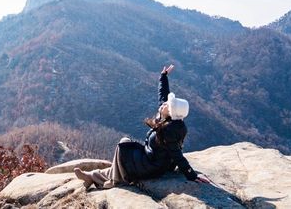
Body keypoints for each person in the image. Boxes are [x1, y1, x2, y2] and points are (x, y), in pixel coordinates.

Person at [74, 64, 211, 189]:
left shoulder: (170, 129)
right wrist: (163, 77)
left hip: (152, 166)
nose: (164, 105)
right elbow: (162, 96)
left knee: (123, 147)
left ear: (171, 112)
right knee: (124, 150)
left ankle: (115, 182)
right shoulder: (167, 116)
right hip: (149, 157)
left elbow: (177, 154)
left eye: (168, 106)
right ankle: (91, 177)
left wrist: (192, 175)